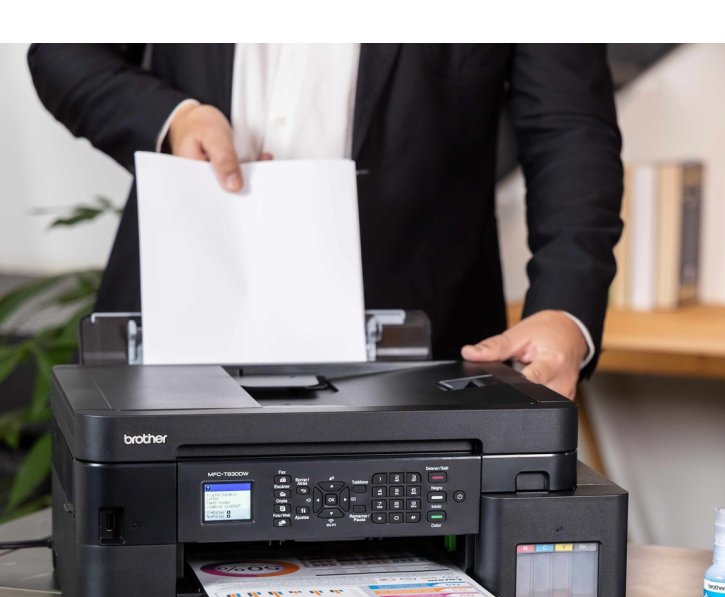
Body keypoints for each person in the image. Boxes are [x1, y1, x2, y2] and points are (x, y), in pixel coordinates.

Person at [28, 44, 623, 398]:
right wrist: (173, 118)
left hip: (421, 349)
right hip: (174, 327)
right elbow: (64, 49)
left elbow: (568, 126)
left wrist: (564, 310)